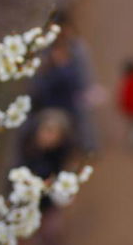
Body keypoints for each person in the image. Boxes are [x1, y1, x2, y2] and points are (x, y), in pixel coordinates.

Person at [30, 10, 99, 155]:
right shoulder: (46, 50)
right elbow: (38, 80)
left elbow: (84, 74)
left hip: (73, 96)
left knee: (83, 120)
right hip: (52, 99)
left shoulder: (77, 48)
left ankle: (87, 147)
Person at [17, 109, 75, 245]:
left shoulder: (60, 153)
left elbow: (61, 177)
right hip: (26, 201)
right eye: (47, 130)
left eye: (55, 133)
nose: (49, 136)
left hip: (48, 202)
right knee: (28, 235)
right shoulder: (26, 148)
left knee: (51, 234)